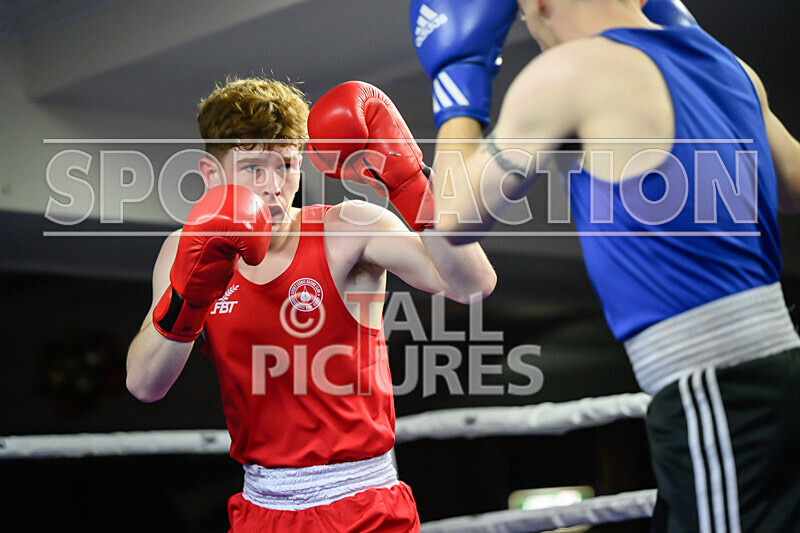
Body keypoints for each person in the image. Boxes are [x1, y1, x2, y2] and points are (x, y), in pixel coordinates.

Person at [410, 0, 800, 531]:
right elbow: (793, 184)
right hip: (774, 370)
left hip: (717, 390)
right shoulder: (729, 66)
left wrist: (458, 76)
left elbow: (455, 218)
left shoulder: (569, 71)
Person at [125, 77, 497, 532]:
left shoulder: (350, 228)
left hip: (364, 506)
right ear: (211, 174)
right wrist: (189, 295)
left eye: (285, 165)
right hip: (261, 510)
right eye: (253, 168)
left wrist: (410, 183)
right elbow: (144, 384)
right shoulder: (182, 249)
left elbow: (474, 284)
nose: (272, 185)